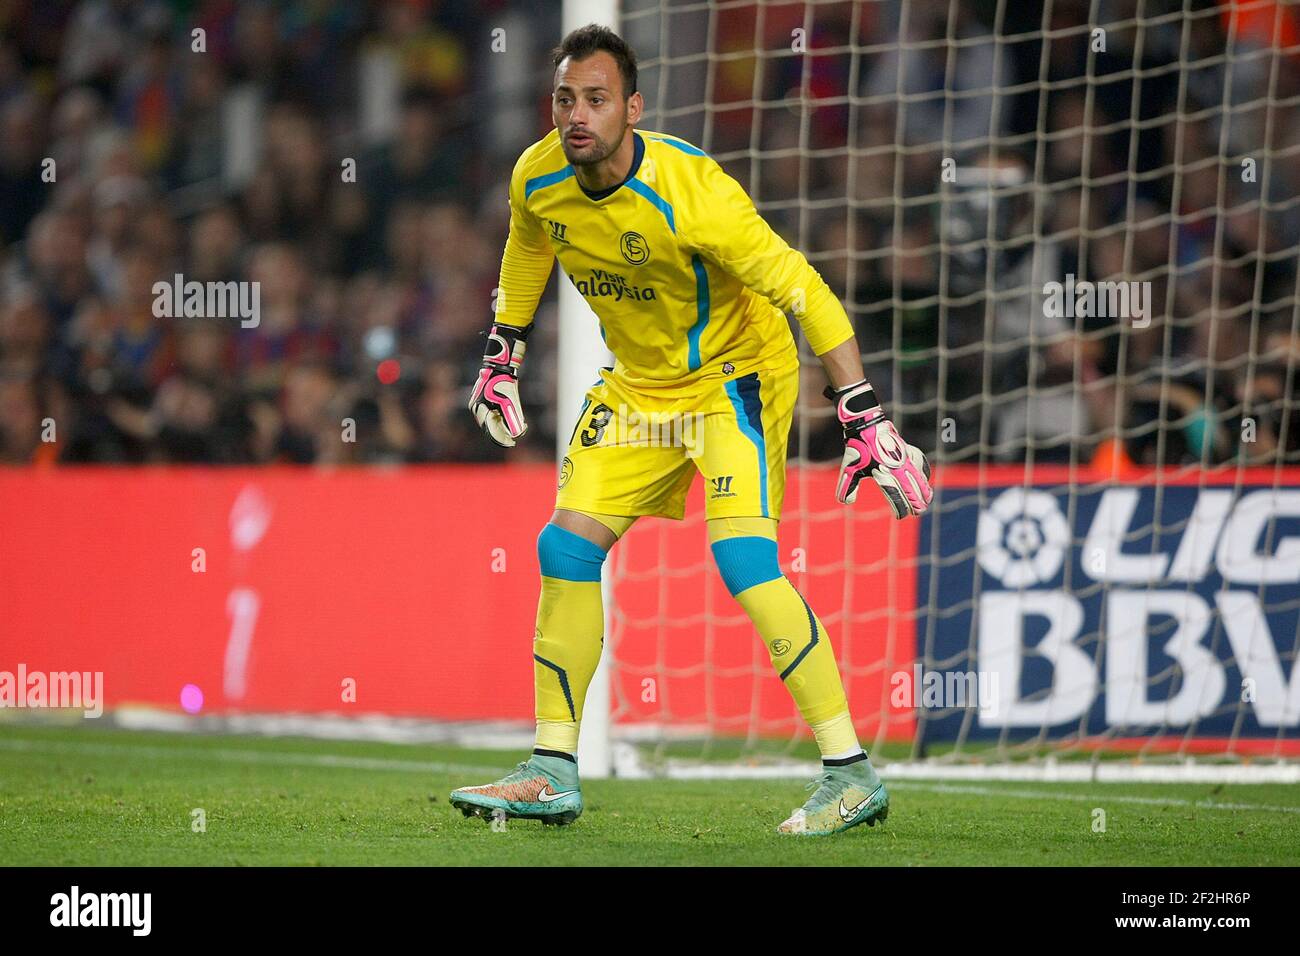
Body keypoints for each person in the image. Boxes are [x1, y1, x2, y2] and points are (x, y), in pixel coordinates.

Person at [453, 24, 932, 836]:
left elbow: (803, 288)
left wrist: (861, 408)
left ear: (631, 108)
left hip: (733, 381)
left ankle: (851, 773)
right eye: (566, 98)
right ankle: (552, 769)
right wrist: (505, 348)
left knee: (743, 560)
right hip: (639, 388)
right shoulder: (537, 176)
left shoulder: (693, 191)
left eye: (597, 100)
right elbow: (527, 244)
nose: (577, 115)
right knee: (563, 546)